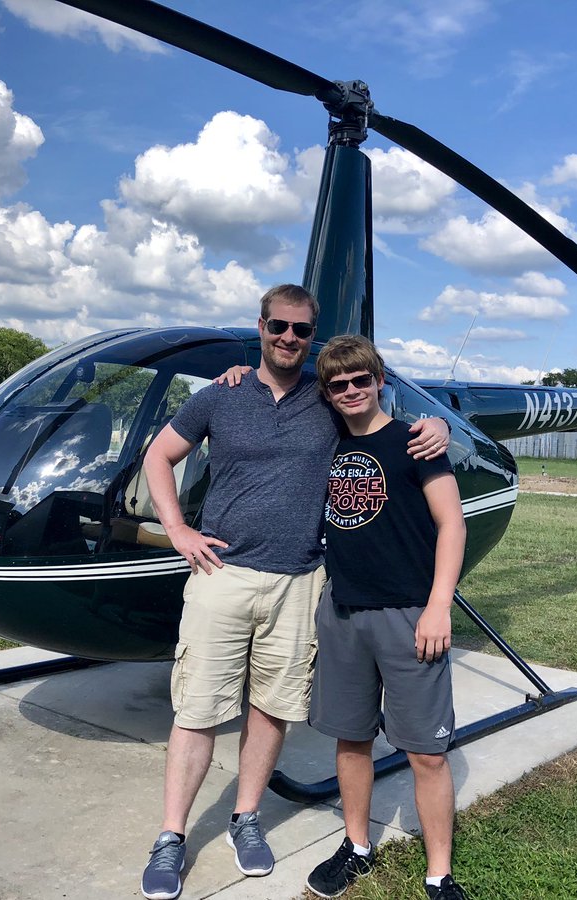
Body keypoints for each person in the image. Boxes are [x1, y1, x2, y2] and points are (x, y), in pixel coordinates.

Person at [138, 285, 451, 900]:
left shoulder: (326, 395)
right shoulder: (220, 396)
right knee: (197, 710)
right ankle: (172, 836)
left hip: (302, 582)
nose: (288, 338)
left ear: (312, 336)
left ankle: (246, 817)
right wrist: (176, 528)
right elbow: (159, 455)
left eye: (301, 330)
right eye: (278, 327)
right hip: (220, 576)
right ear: (260, 327)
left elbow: (385, 414)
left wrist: (436, 420)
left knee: (273, 706)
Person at [305, 335, 468, 900]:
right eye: (337, 384)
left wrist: (439, 605)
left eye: (360, 380)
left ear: (379, 381)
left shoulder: (416, 443)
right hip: (343, 611)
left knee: (425, 750)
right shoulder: (321, 442)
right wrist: (233, 371)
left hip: (409, 613)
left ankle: (439, 871)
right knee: (350, 739)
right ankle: (357, 847)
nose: (350, 391)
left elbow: (452, 524)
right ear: (326, 393)